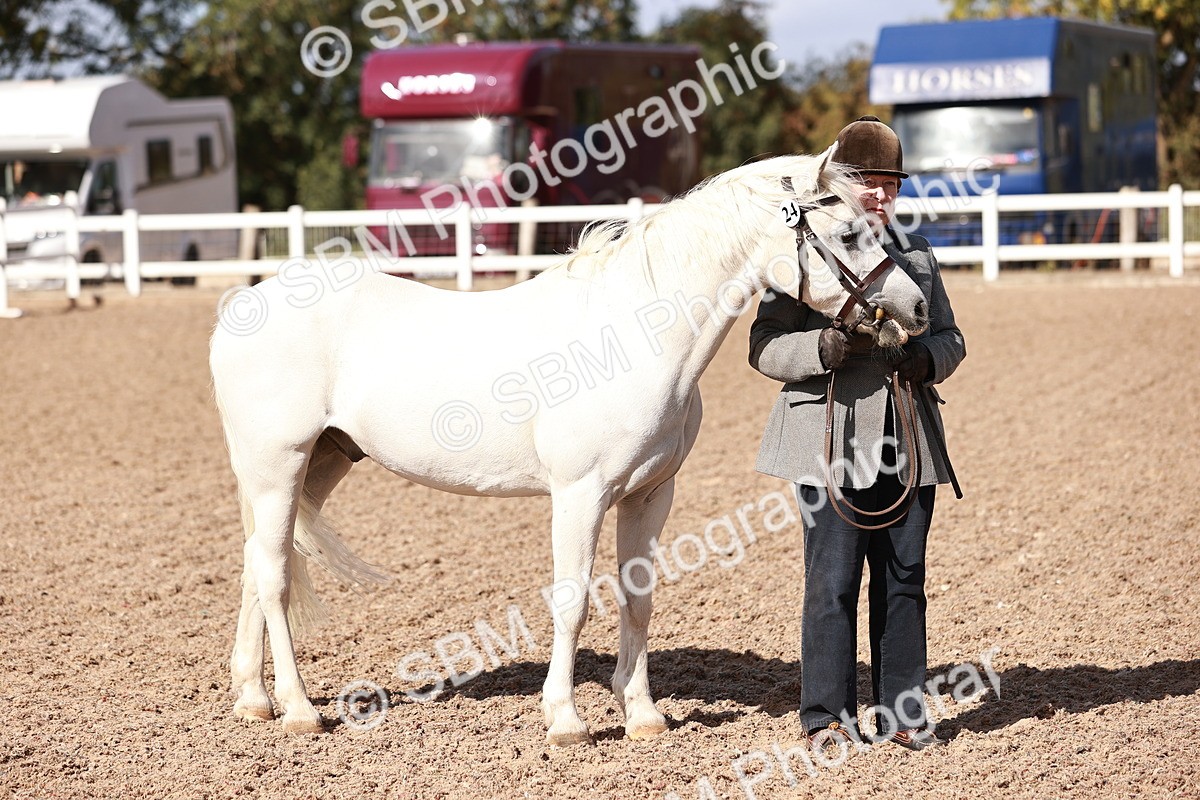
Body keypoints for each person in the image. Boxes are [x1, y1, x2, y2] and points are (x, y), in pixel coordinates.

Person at [748, 116, 966, 753]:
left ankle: (902, 713)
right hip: (829, 440)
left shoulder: (916, 255)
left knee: (905, 577)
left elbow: (952, 338)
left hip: (907, 435)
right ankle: (826, 718)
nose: (880, 194)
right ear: (840, 186)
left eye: (889, 184)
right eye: (868, 182)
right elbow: (763, 346)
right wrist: (822, 347)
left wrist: (926, 359)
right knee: (833, 582)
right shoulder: (805, 251)